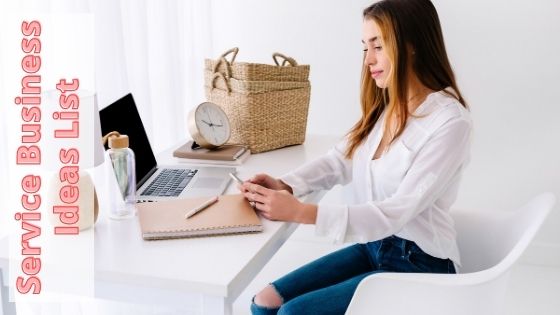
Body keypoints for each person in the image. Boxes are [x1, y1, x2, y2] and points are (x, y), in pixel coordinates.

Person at [239, 0, 472, 314]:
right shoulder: (387, 107)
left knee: (293, 313)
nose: (368, 60)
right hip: (375, 247)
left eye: (377, 46)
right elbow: (340, 160)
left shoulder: (449, 123)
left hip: (420, 264)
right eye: (365, 47)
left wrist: (301, 212)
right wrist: (287, 185)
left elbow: (395, 212)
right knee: (263, 303)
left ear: (412, 44)